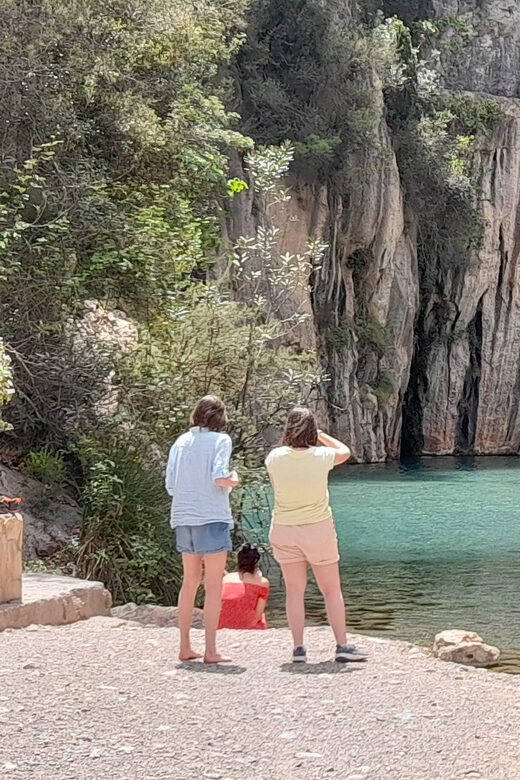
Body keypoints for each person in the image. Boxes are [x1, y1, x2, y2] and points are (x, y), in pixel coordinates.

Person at [266, 406, 367, 664]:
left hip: (284, 529)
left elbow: (277, 487)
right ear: (311, 431)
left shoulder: (274, 457)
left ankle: (298, 649)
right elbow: (345, 452)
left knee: (294, 590)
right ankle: (342, 645)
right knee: (331, 589)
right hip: (317, 529)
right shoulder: (322, 456)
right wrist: (321, 435)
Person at [165, 395, 239, 664]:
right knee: (214, 585)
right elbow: (219, 476)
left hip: (183, 517)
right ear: (220, 417)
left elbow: (171, 485)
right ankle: (210, 650)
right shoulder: (221, 440)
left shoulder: (181, 442)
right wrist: (234, 480)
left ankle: (184, 646)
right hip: (212, 517)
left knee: (189, 582)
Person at [218, 543, 270, 630]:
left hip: (223, 624)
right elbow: (258, 614)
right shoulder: (263, 582)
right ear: (256, 561)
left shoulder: (226, 579)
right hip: (248, 625)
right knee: (262, 616)